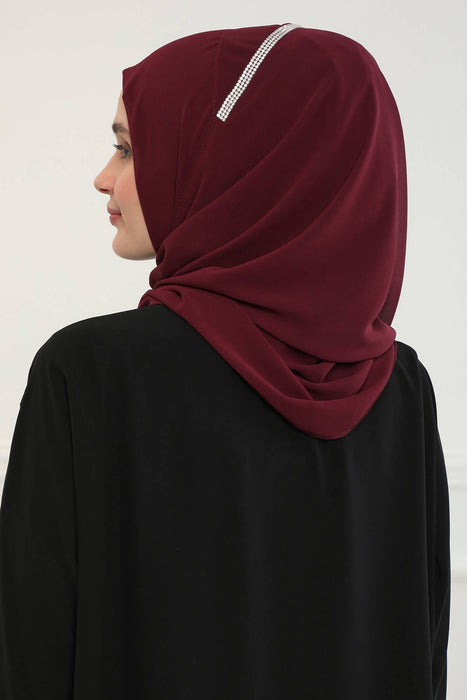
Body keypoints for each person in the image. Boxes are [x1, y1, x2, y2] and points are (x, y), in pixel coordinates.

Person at [0, 22, 450, 699]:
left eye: (127, 149)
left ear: (239, 164)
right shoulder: (399, 387)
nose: (103, 177)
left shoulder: (91, 373)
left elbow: (32, 658)